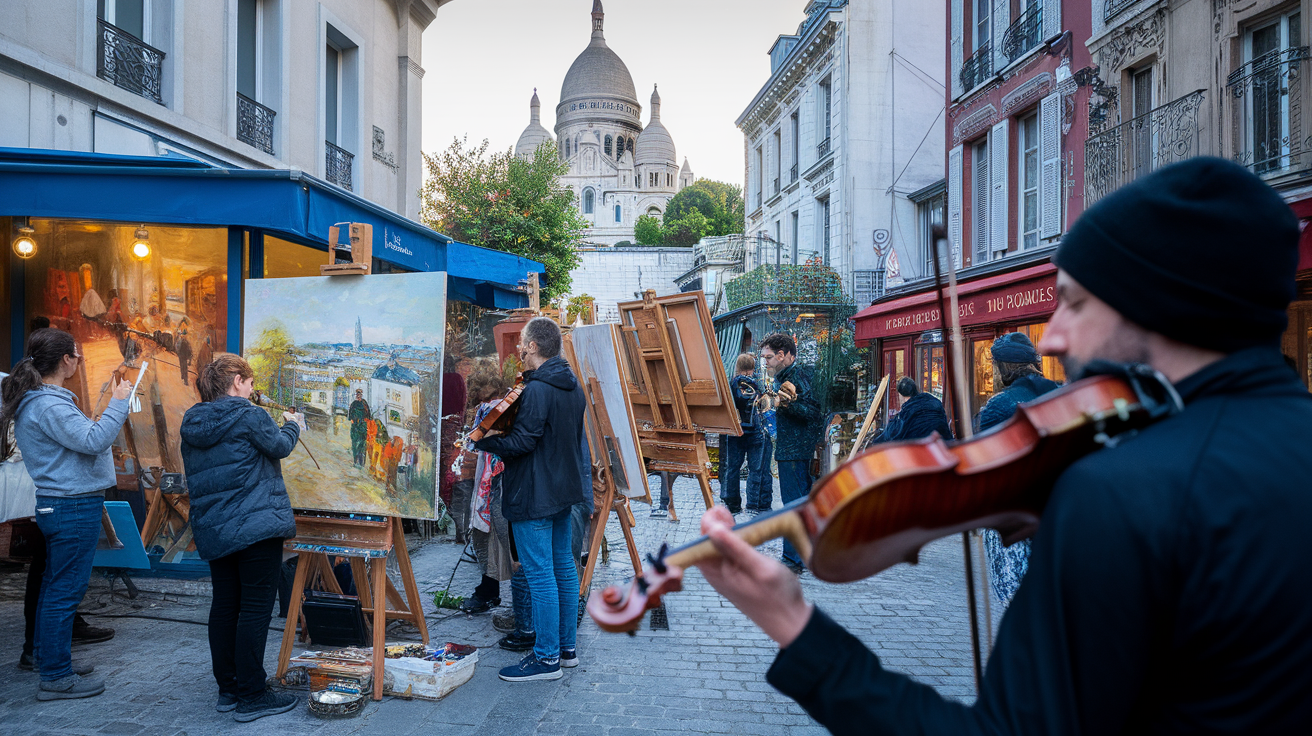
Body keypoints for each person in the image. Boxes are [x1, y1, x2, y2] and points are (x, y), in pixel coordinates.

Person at [692, 157, 1312, 733]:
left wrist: (797, 630)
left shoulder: (1120, 494)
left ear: (1154, 301)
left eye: (1072, 303)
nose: (1051, 339)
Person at [1, 328, 132, 701]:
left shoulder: (44, 401)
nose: (81, 359)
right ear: (66, 360)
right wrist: (119, 402)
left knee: (53, 588)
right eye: (78, 353)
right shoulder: (49, 404)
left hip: (62, 502)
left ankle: (48, 659)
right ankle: (57, 677)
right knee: (64, 592)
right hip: (71, 505)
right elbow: (93, 440)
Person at [179, 354, 301, 723]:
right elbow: (279, 447)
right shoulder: (248, 415)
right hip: (254, 525)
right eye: (248, 382)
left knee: (225, 606)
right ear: (235, 381)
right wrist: (293, 425)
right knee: (254, 611)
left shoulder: (193, 420)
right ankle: (252, 694)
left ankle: (229, 690)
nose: (252, 388)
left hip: (216, 527)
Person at [475, 318, 587, 682]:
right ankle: (566, 651)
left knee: (540, 577)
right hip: (562, 491)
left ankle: (546, 658)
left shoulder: (537, 389)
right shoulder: (573, 386)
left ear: (534, 346)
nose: (519, 348)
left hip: (535, 494)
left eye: (523, 343)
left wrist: (485, 441)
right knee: (564, 571)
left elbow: (524, 443)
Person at [974, 332, 1062, 606]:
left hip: (1015, 519)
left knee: (1017, 602)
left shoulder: (999, 406)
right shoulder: (1062, 394)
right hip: (1060, 513)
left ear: (1002, 367)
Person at [760, 333, 822, 574]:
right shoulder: (785, 376)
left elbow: (813, 412)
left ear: (783, 355)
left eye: (768, 358)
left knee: (793, 504)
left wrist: (786, 405)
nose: (766, 362)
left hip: (795, 450)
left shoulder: (798, 376)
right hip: (792, 447)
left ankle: (793, 559)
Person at [458, 363, 512, 615]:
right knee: (490, 535)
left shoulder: (493, 410)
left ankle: (492, 591)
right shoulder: (500, 406)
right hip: (492, 477)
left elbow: (476, 443)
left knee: (499, 534)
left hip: (499, 480)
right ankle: (489, 588)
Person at [720, 353, 770, 514]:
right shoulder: (756, 383)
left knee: (732, 468)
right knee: (756, 469)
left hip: (736, 430)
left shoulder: (732, 383)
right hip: (755, 430)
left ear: (738, 366)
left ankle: (732, 504)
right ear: (752, 367)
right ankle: (753, 505)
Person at [863, 376, 952, 447]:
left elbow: (890, 435)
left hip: (922, 454)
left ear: (901, 395)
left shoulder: (906, 412)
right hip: (945, 447)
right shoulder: (933, 401)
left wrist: (874, 444)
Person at [348, 389, 370, 467]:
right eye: (357, 394)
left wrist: (364, 422)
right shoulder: (353, 404)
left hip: (362, 427)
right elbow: (350, 415)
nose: (358, 395)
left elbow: (368, 416)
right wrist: (352, 421)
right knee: (354, 445)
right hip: (355, 427)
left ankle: (361, 463)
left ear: (361, 394)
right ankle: (355, 461)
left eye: (360, 394)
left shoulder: (364, 403)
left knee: (362, 445)